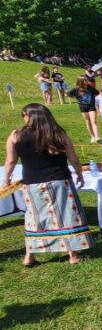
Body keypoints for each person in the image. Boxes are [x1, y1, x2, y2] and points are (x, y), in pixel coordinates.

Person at [2, 104, 92, 266]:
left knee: (34, 218)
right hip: (60, 180)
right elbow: (73, 158)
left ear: (28, 116)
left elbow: (10, 161)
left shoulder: (16, 135)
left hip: (31, 183)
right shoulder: (57, 133)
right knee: (66, 216)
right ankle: (73, 255)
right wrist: (79, 173)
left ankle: (29, 256)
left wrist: (6, 180)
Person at [69, 76, 100, 143]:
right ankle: (92, 137)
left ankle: (97, 137)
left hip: (91, 107)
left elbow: (97, 93)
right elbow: (69, 94)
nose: (87, 81)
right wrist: (77, 98)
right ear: (81, 82)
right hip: (83, 107)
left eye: (87, 80)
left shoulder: (90, 88)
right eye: (85, 80)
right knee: (88, 122)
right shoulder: (76, 89)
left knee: (93, 121)